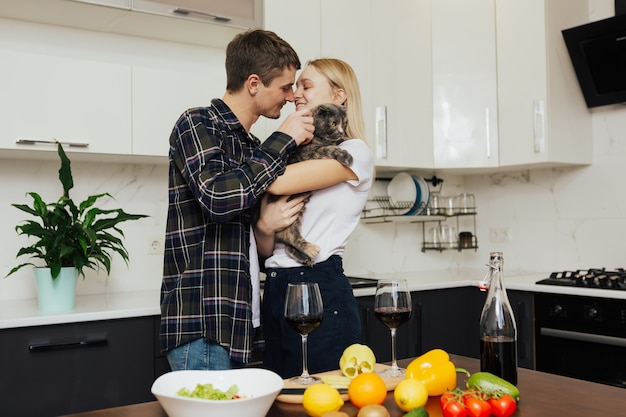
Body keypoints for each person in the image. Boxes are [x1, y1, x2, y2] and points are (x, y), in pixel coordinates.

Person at [159, 29, 316, 371]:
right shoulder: (197, 123)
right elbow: (218, 198)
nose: (291, 97)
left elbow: (251, 245)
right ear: (255, 83)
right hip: (203, 327)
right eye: (286, 87)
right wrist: (282, 139)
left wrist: (263, 227)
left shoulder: (251, 149)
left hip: (242, 324)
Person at [256, 58, 374, 378]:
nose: (296, 94)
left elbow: (271, 180)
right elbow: (268, 250)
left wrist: (283, 135)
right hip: (277, 289)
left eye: (306, 86)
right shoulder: (293, 154)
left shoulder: (355, 152)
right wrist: (265, 225)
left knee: (325, 402)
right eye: (296, 87)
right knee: (282, 401)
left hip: (319, 286)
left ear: (339, 96)